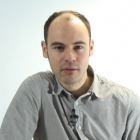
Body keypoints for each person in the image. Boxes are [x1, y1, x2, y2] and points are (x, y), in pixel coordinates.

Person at [0, 10, 140, 140]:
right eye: (59, 48)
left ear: (91, 48)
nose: (70, 57)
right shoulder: (35, 89)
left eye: (78, 47)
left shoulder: (127, 103)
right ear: (44, 49)